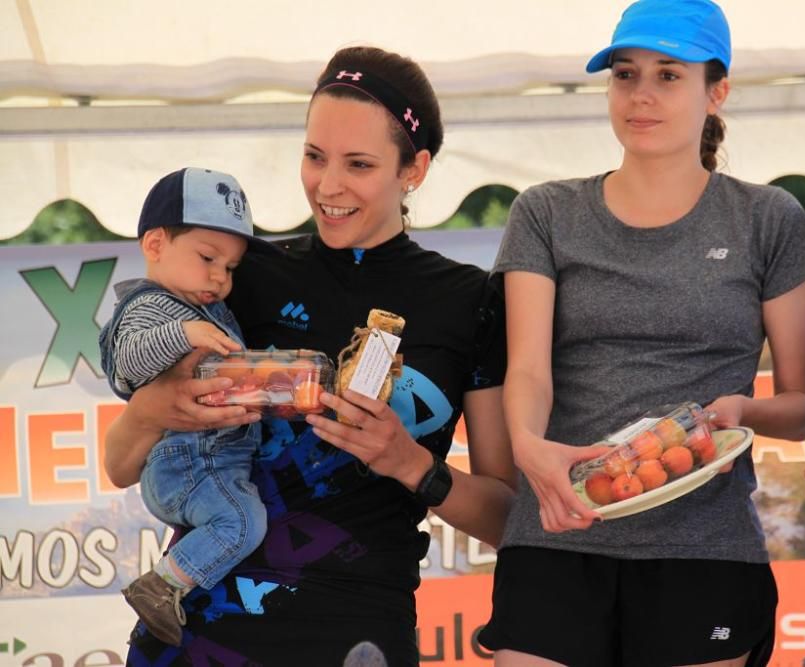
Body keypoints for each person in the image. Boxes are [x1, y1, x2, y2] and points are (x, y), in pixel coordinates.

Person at [103, 46, 516, 665]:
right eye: (314, 156)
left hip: (356, 630)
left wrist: (410, 464)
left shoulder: (470, 300)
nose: (328, 186)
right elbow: (119, 464)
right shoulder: (242, 274)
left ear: (415, 169)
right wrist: (155, 408)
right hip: (200, 624)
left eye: (359, 164)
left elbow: (507, 519)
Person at [478, 1, 805, 666]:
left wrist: (741, 411)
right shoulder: (546, 211)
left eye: (669, 75)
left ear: (716, 91)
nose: (640, 94)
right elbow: (527, 369)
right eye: (624, 73)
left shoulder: (768, 218)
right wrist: (528, 445)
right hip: (560, 534)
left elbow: (803, 407)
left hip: (704, 548)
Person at [98, 167, 271, 646]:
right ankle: (162, 586)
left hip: (215, 459)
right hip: (189, 462)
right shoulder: (152, 307)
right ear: (155, 244)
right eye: (207, 258)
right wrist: (184, 334)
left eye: (230, 268)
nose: (219, 277)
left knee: (242, 517)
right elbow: (128, 363)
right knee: (241, 522)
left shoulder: (203, 305)